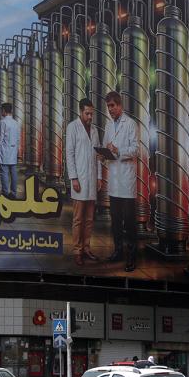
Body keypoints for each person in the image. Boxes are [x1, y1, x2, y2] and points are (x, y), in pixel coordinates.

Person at [102, 91, 138, 272]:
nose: (110, 110)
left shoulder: (130, 124)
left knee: (129, 221)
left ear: (120, 106)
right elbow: (106, 146)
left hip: (126, 180)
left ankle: (131, 256)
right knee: (115, 220)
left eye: (113, 106)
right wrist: (103, 154)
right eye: (108, 107)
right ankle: (118, 251)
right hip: (114, 179)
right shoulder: (108, 125)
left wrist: (118, 150)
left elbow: (135, 149)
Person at [66, 98, 103, 266]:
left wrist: (99, 177)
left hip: (92, 178)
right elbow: (69, 154)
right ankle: (77, 250)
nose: (90, 117)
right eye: (87, 113)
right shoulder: (72, 127)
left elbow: (98, 155)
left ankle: (87, 248)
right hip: (79, 179)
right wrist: (73, 178)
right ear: (80, 111)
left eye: (91, 114)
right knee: (78, 219)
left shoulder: (94, 130)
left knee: (89, 219)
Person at [0, 102, 20, 199]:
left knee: (4, 172)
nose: (1, 112)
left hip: (4, 151)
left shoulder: (2, 122)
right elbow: (18, 138)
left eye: (1, 110)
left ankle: (5, 192)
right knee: (13, 173)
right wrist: (16, 150)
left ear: (4, 111)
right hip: (13, 151)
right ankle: (13, 193)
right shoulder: (15, 123)